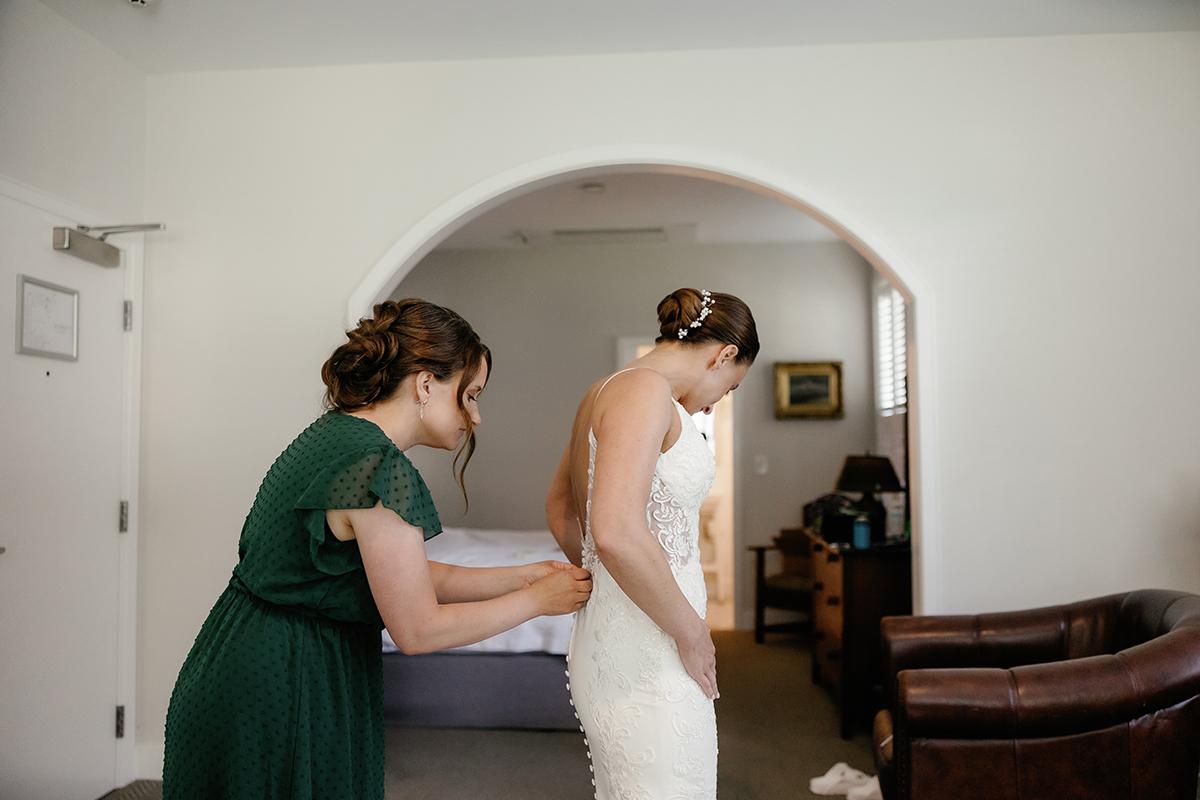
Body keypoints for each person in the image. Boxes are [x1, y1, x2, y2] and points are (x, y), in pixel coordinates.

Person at [163, 298, 592, 799]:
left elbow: (398, 577)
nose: (476, 417)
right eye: (470, 395)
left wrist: (523, 576)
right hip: (287, 678)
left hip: (233, 654)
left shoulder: (334, 435)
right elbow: (418, 629)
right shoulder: (378, 468)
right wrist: (536, 604)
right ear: (427, 384)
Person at [545, 287, 760, 798]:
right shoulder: (644, 391)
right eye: (730, 388)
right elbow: (615, 529)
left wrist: (610, 588)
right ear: (724, 354)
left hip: (625, 630)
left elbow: (561, 509)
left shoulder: (604, 390)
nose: (714, 405)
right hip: (653, 643)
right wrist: (691, 631)